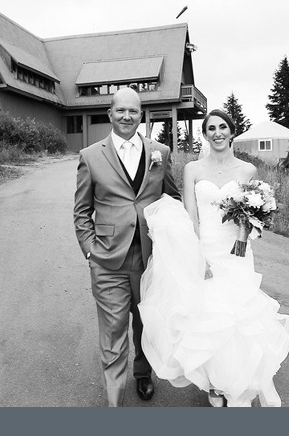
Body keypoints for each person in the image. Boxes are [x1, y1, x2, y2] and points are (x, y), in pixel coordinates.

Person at [138, 109, 289, 407]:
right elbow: (190, 216)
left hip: (236, 252)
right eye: (211, 128)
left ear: (232, 131)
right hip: (206, 248)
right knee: (209, 317)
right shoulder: (193, 169)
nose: (218, 132)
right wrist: (199, 256)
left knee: (237, 317)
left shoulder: (247, 171)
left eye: (223, 127)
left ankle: (234, 382)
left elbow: (252, 215)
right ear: (205, 134)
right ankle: (215, 383)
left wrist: (251, 225)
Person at [73, 87, 180, 407]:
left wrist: (171, 238)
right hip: (107, 259)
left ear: (141, 114)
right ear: (110, 114)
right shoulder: (90, 156)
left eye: (133, 111)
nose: (127, 116)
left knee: (146, 322)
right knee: (113, 330)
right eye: (120, 111)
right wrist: (90, 251)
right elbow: (81, 211)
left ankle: (142, 373)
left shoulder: (160, 151)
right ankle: (114, 400)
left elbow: (171, 198)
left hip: (150, 258)